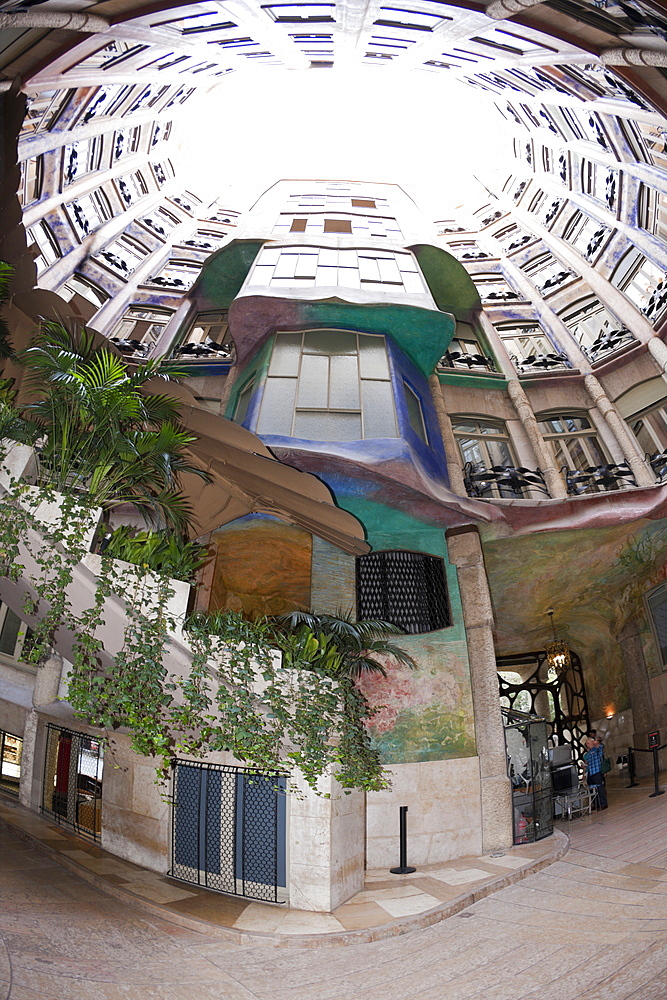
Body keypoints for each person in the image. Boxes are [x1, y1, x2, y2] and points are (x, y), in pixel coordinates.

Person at [583, 737, 608, 810]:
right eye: (586, 744)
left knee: (599, 788)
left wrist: (597, 742)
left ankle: (603, 804)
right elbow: (589, 763)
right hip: (591, 772)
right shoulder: (589, 753)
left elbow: (600, 746)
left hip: (597, 771)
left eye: (588, 743)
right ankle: (596, 804)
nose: (587, 745)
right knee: (592, 788)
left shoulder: (597, 749)